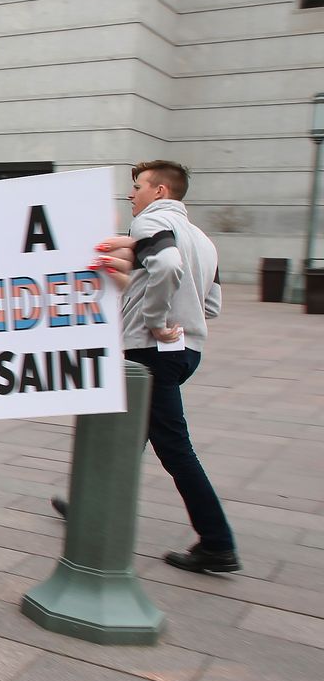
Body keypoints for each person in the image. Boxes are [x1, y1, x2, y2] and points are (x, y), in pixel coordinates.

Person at [123, 160, 237, 573]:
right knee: (131, 429)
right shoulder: (204, 240)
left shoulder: (150, 225)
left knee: (175, 448)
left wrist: (154, 322)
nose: (131, 195)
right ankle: (89, 500)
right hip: (187, 352)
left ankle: (217, 543)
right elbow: (212, 305)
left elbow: (167, 266)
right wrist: (183, 322)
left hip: (151, 352)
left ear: (160, 192)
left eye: (137, 187)